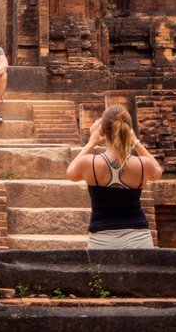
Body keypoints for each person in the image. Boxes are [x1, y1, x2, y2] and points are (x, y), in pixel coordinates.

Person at [66, 104, 164, 249]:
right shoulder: (142, 165)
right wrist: (136, 142)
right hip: (139, 240)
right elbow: (157, 172)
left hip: (101, 240)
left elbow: (70, 173)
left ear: (103, 131)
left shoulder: (90, 163)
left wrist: (91, 143)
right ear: (128, 130)